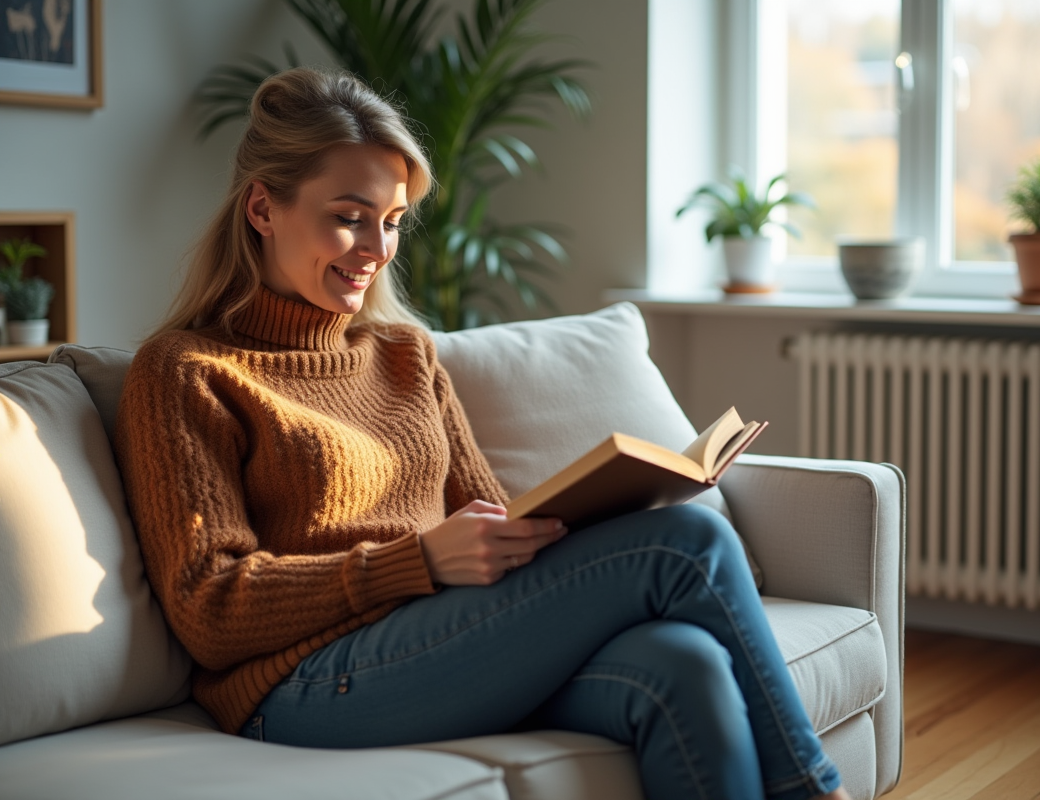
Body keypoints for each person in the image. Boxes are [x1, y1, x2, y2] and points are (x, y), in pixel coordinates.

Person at [114, 67, 852, 800]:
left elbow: (489, 514)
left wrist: (602, 510)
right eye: (349, 215)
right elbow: (209, 607)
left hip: (445, 637)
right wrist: (415, 562)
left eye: (394, 221)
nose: (376, 247)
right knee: (692, 543)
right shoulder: (186, 372)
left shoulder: (403, 355)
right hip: (304, 682)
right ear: (263, 209)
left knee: (684, 661)